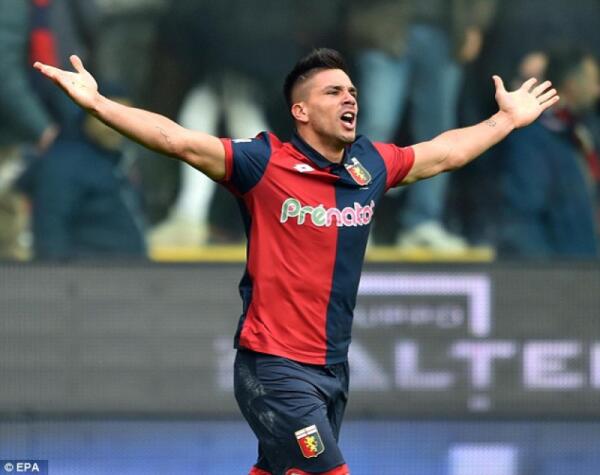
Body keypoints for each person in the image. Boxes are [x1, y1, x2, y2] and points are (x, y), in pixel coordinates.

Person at [33, 48, 557, 474]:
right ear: (301, 112)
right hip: (273, 366)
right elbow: (177, 140)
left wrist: (505, 119)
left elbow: (445, 152)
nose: (349, 97)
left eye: (352, 91)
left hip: (332, 368)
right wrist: (98, 104)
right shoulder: (262, 164)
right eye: (333, 91)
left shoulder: (370, 164)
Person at [347, 0, 497, 250]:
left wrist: (474, 24)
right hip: (384, 25)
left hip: (446, 29)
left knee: (438, 131)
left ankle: (423, 221)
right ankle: (352, 218)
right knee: (376, 124)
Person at [18, 90, 148, 261]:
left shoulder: (119, 160)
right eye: (107, 118)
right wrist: (54, 275)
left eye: (126, 119)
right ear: (86, 115)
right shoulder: (64, 162)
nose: (115, 127)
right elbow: (50, 231)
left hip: (128, 271)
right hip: (87, 273)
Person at [497, 47, 600, 258]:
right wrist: (547, 271)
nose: (597, 90)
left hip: (585, 265)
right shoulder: (531, 139)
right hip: (558, 268)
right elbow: (524, 215)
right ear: (572, 84)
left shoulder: (578, 134)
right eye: (593, 81)